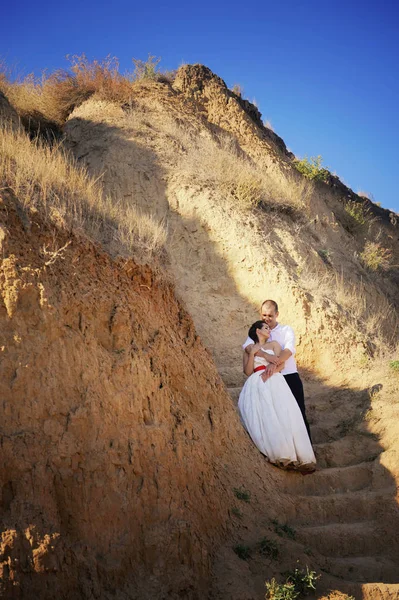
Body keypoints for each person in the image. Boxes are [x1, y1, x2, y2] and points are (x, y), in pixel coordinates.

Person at [239, 320, 316, 471]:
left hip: (274, 378)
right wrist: (253, 353)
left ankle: (295, 454)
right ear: (258, 331)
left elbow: (282, 364)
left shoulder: (274, 344)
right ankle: (276, 451)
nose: (269, 330)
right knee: (265, 414)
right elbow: (247, 372)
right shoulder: (249, 349)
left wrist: (271, 371)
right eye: (266, 328)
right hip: (256, 380)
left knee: (283, 412)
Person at [243, 299, 311, 441]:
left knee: (297, 411)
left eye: (270, 315)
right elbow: (248, 347)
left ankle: (306, 447)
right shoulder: (257, 330)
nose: (267, 319)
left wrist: (275, 363)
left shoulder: (286, 330)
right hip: (269, 378)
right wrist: (266, 355)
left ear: (277, 314)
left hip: (288, 374)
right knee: (276, 414)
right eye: (264, 315)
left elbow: (288, 350)